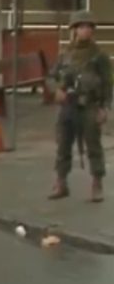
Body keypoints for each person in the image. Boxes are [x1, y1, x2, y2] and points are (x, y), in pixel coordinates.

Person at [49, 10, 111, 203]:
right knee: (63, 145)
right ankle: (61, 182)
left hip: (89, 105)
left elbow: (108, 84)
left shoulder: (99, 56)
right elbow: (51, 77)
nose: (86, 30)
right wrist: (55, 91)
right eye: (82, 27)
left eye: (89, 27)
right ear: (74, 29)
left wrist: (105, 108)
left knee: (93, 146)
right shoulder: (65, 54)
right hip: (68, 105)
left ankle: (97, 184)